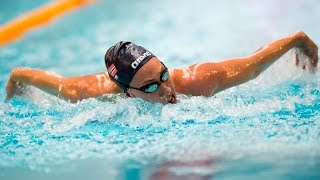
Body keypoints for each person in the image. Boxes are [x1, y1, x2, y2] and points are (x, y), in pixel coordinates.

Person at [5, 31, 318, 104]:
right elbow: (21, 74)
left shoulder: (196, 81)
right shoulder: (84, 93)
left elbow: (252, 65)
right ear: (126, 93)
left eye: (163, 74)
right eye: (152, 87)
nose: (169, 90)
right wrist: (13, 89)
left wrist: (297, 40)